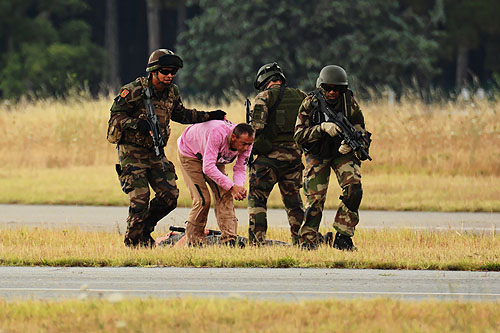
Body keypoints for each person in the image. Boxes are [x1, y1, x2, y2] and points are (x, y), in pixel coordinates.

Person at [106, 49, 226, 247]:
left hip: (155, 152)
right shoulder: (134, 90)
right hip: (132, 153)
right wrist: (138, 124)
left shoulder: (172, 92)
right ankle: (134, 242)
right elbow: (115, 117)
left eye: (173, 72)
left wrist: (209, 115)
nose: (170, 75)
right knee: (140, 201)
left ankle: (144, 229)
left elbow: (181, 114)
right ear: (154, 71)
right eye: (165, 71)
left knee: (169, 196)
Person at [294, 65, 371, 250]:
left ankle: (343, 236)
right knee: (315, 198)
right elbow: (298, 136)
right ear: (321, 86)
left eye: (336, 89)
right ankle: (308, 240)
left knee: (354, 189)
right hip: (317, 152)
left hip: (341, 153)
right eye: (328, 88)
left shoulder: (349, 103)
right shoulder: (310, 103)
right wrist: (320, 128)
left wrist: (353, 145)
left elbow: (361, 132)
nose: (332, 92)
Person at [247, 62, 306, 245]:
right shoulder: (300, 96)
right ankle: (301, 241)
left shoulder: (264, 97)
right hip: (294, 159)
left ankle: (257, 241)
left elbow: (256, 127)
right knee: (294, 203)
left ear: (266, 81)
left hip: (268, 160)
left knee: (257, 199)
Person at [177, 120, 254, 246]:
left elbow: (240, 167)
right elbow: (207, 167)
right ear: (233, 137)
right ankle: (194, 242)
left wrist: (238, 186)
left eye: (249, 144)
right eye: (244, 144)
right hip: (190, 153)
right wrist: (231, 186)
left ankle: (229, 240)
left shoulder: (247, 142)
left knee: (225, 194)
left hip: (214, 157)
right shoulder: (217, 134)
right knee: (203, 200)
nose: (246, 148)